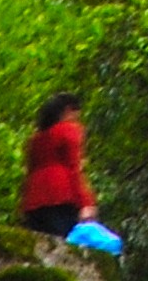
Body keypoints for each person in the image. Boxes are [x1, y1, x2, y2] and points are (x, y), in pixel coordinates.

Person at [20, 92, 95, 240]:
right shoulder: (68, 130)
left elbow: (30, 170)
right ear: (68, 110)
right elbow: (73, 168)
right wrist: (86, 203)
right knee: (65, 243)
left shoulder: (36, 139)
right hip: (61, 194)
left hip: (33, 198)